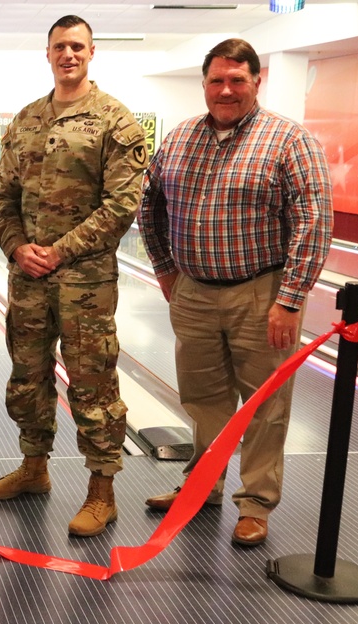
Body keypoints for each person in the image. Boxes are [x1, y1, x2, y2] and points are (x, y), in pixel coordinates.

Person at [138, 38, 334, 547]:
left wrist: (290, 299)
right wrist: (164, 270)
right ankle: (204, 486)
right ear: (204, 84)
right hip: (194, 292)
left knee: (265, 402)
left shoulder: (289, 140)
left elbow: (314, 222)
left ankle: (256, 504)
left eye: (237, 80)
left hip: (262, 293)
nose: (226, 90)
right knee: (203, 398)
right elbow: (149, 207)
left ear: (256, 81)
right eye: (216, 80)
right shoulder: (180, 138)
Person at [0, 15, 148, 538]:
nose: (68, 55)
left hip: (85, 282)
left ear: (92, 52)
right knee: (27, 375)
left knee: (93, 383)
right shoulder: (26, 119)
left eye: (77, 46)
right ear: (47, 53)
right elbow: (2, 196)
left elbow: (121, 205)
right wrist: (14, 246)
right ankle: (35, 469)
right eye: (60, 47)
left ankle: (102, 492)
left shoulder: (115, 122)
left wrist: (58, 251)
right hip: (27, 276)